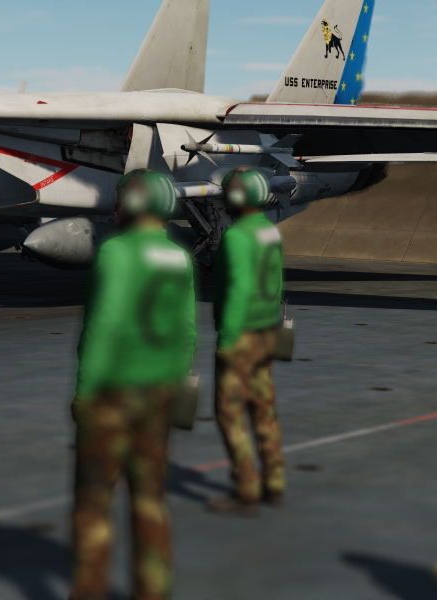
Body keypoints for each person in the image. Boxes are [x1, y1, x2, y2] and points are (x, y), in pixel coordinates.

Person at [70, 169, 197, 600]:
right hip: (158, 394)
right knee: (150, 499)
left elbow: (103, 327)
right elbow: (187, 332)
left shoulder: (117, 251)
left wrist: (85, 391)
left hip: (113, 395)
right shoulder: (178, 257)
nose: (117, 205)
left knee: (93, 500)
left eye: (123, 197)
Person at [206, 166, 287, 516]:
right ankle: (275, 479)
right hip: (267, 330)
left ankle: (247, 488)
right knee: (264, 409)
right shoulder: (270, 232)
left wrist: (226, 339)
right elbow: (277, 280)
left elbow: (237, 289)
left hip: (241, 337)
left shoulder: (236, 236)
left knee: (230, 414)